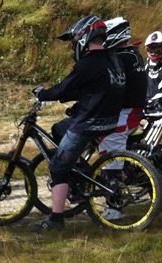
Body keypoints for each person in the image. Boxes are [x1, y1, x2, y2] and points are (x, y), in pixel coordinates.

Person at [31, 16, 125, 232]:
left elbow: (64, 88)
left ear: (83, 37)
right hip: (108, 121)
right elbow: (90, 88)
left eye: (73, 41)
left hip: (88, 123)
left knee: (57, 167)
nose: (73, 45)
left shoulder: (87, 64)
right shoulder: (113, 61)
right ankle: (79, 172)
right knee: (58, 129)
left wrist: (42, 93)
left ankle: (56, 219)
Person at [99, 17, 147, 158]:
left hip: (124, 115)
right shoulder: (133, 54)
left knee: (111, 161)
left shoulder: (120, 58)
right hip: (133, 112)